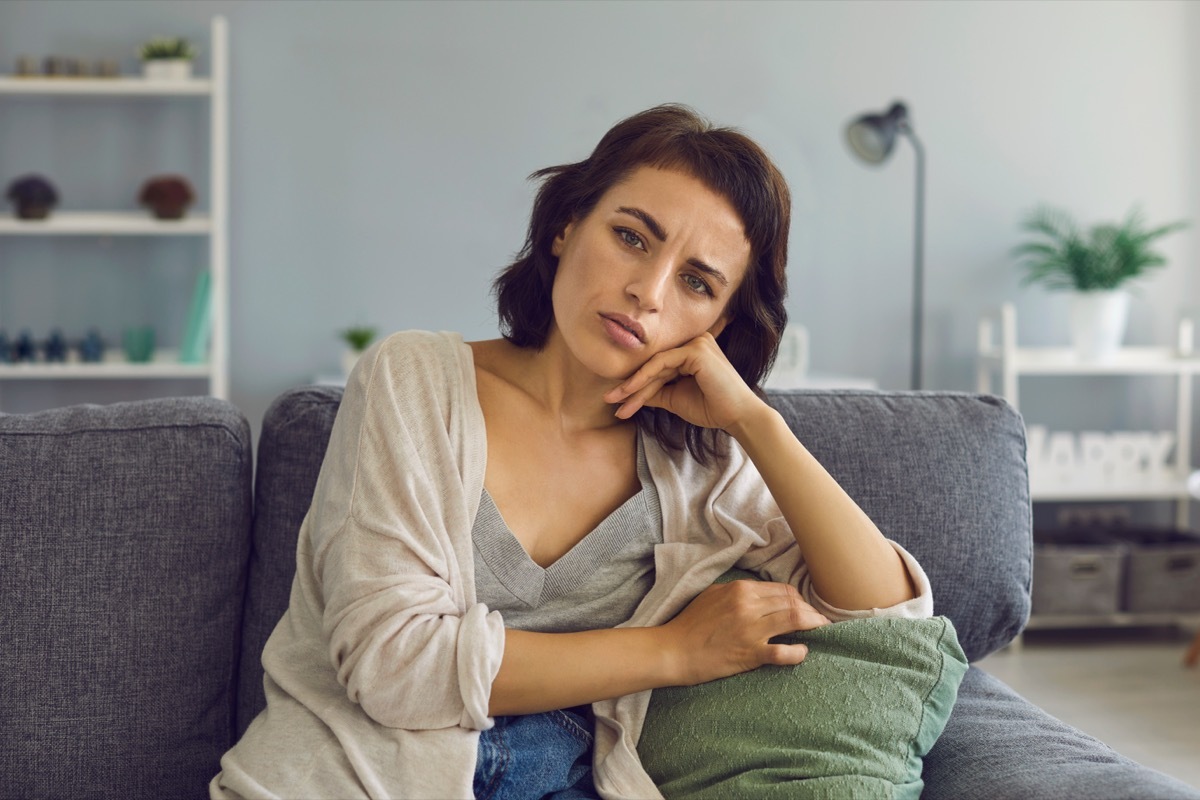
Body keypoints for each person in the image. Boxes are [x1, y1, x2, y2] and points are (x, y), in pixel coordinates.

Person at [211, 103, 932, 800]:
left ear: (718, 322)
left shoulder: (700, 464)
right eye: (632, 237)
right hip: (350, 778)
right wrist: (674, 652)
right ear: (565, 225)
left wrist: (755, 422)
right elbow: (394, 666)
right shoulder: (414, 380)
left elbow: (884, 616)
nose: (646, 292)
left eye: (696, 283)